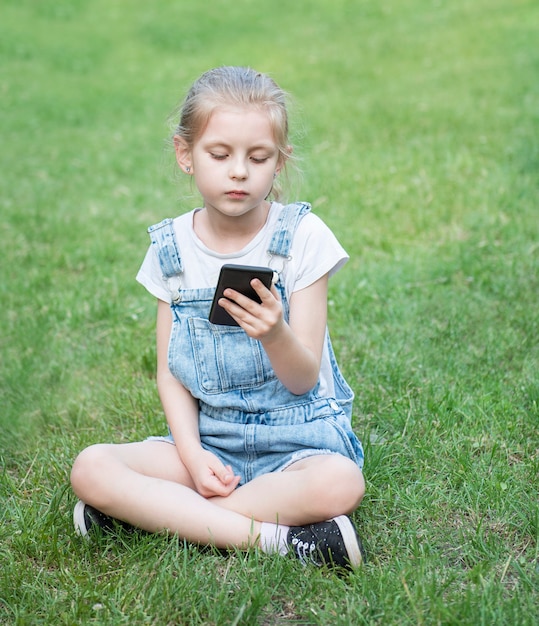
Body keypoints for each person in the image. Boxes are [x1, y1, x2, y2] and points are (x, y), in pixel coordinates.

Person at [70, 66, 366, 569]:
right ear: (186, 155)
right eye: (219, 154)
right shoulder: (171, 252)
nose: (238, 172)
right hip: (211, 441)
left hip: (298, 444)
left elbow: (303, 379)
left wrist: (276, 333)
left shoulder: (304, 238)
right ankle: (280, 540)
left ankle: (151, 515)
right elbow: (170, 374)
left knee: (341, 483)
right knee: (91, 467)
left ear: (280, 161)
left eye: (258, 157)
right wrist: (191, 456)